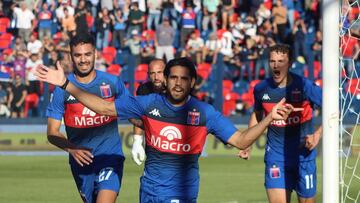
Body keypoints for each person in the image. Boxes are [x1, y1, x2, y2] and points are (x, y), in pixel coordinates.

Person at [36, 57, 299, 202]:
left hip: (181, 193)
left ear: (192, 82)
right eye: (173, 77)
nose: (177, 83)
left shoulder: (204, 113)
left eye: (184, 78)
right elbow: (105, 108)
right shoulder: (148, 103)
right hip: (148, 191)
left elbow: (241, 140)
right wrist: (66, 85)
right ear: (165, 79)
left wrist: (268, 119)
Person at [45, 34, 128, 203]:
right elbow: (52, 132)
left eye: (87, 54)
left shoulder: (112, 82)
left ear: (95, 54)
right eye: (78, 55)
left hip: (110, 157)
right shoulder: (61, 90)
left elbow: (134, 113)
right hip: (81, 164)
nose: (83, 60)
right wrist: (72, 149)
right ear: (71, 57)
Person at [238, 44, 322, 203]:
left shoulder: (304, 86)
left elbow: (333, 108)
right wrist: (247, 143)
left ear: (289, 64)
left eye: (281, 61)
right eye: (272, 61)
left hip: (303, 156)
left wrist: (317, 135)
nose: (276, 65)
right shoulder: (261, 89)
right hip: (276, 156)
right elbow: (257, 114)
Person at [132, 59, 166, 166]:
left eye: (159, 72)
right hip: (152, 145)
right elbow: (138, 115)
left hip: (173, 142)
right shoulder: (143, 90)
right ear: (148, 75)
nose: (156, 77)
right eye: (152, 73)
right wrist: (137, 141)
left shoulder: (175, 89)